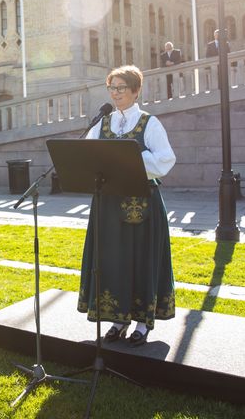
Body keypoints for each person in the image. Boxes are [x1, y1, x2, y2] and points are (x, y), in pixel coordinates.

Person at [76, 65, 177, 346]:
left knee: (141, 260)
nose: (116, 93)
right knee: (113, 260)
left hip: (141, 206)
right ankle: (119, 318)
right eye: (112, 88)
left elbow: (166, 160)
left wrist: (130, 161)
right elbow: (87, 152)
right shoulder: (103, 122)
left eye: (121, 88)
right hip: (108, 205)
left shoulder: (149, 123)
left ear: (135, 91)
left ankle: (144, 323)